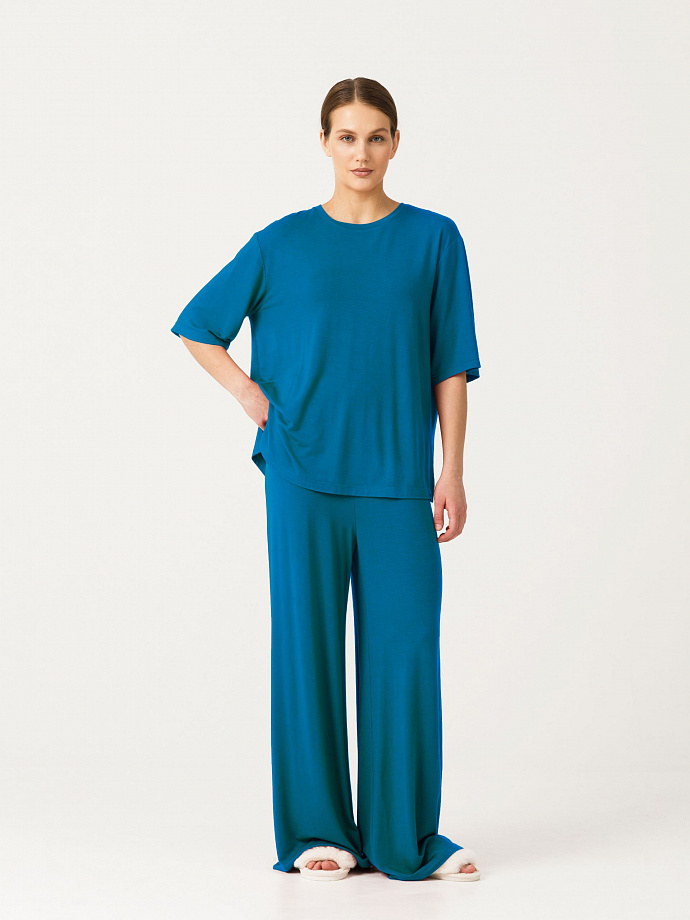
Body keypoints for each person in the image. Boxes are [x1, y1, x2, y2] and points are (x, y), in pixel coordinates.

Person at [170, 77, 482, 883]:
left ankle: (403, 837)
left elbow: (450, 363)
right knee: (307, 649)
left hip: (398, 480)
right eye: (347, 136)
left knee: (404, 655)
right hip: (302, 473)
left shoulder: (433, 239)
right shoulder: (281, 243)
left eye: (376, 136)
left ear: (396, 143)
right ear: (324, 143)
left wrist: (450, 469)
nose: (361, 152)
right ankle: (319, 831)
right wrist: (248, 394)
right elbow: (199, 325)